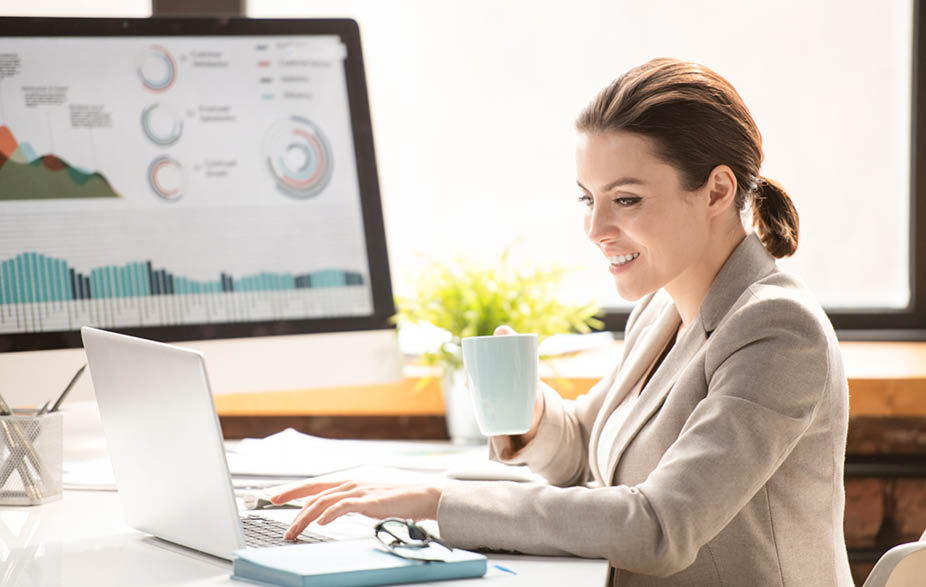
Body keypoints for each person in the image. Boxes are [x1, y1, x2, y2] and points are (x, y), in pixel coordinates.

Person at [270, 58, 853, 586]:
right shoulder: (663, 307)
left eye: (625, 199)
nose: (596, 228)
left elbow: (659, 526)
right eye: (587, 198)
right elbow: (582, 450)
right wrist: (529, 414)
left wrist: (437, 502)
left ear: (716, 190)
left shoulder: (776, 331)